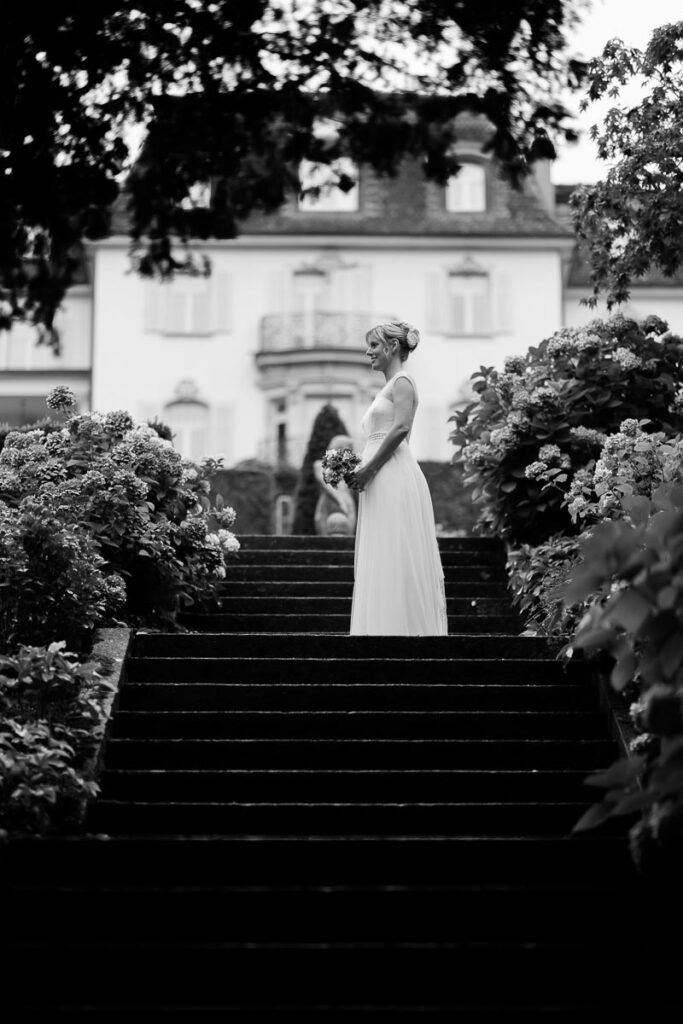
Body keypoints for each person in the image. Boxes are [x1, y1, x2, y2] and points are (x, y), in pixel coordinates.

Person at [349, 321, 448, 635]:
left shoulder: (403, 381)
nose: (369, 352)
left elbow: (402, 429)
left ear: (392, 346)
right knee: (382, 549)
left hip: (390, 472)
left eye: (374, 346)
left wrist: (369, 468)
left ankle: (400, 631)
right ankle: (380, 628)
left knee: (394, 547)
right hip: (380, 474)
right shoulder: (388, 387)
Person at [313, 433, 357, 536]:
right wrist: (340, 500)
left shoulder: (350, 469)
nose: (350, 453)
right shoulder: (319, 465)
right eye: (347, 449)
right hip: (327, 506)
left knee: (347, 540)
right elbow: (325, 482)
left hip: (348, 506)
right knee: (323, 536)